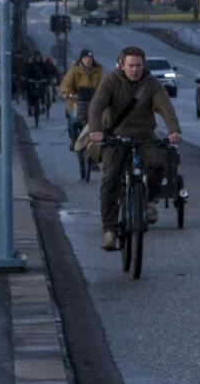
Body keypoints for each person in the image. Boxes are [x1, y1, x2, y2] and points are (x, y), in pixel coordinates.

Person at [86, 47, 182, 252]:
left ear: (143, 65)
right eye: (131, 65)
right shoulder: (111, 81)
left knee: (159, 163)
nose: (135, 69)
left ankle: (149, 200)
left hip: (145, 137)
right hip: (116, 138)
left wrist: (174, 130)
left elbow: (166, 108)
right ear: (121, 65)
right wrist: (96, 129)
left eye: (138, 65)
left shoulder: (152, 84)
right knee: (110, 178)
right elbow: (97, 105)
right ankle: (110, 230)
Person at [59, 49, 103, 129]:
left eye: (90, 58)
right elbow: (66, 83)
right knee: (73, 129)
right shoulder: (74, 70)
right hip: (76, 103)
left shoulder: (98, 71)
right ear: (81, 59)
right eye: (85, 58)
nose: (88, 60)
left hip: (92, 103)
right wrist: (67, 93)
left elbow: (103, 85)